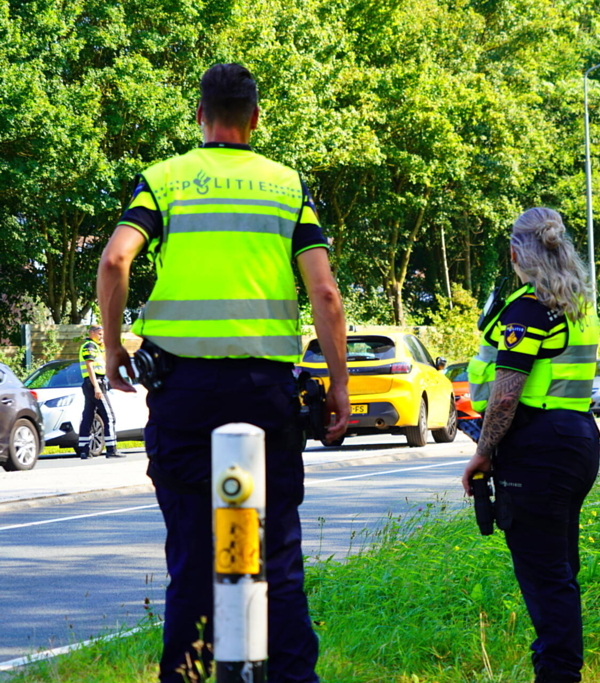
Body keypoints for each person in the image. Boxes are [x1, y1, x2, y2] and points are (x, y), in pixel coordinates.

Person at [96, 63, 350, 683]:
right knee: (276, 553)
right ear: (255, 119)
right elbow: (325, 296)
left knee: (191, 556)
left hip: (183, 395)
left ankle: (187, 677)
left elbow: (113, 261)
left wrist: (111, 353)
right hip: (266, 394)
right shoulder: (287, 186)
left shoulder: (164, 181)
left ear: (200, 117)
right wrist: (339, 384)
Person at [462, 207, 600, 683]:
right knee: (559, 568)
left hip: (537, 449)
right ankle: (560, 668)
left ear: (516, 252)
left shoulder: (527, 309)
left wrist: (482, 450)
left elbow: (505, 396)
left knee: (545, 577)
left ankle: (557, 674)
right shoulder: (577, 306)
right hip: (577, 441)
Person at [77, 325, 120, 459]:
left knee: (88, 417)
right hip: (95, 384)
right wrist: (96, 387)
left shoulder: (96, 347)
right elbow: (89, 366)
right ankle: (111, 449)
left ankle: (84, 450)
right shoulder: (90, 346)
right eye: (100, 334)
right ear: (92, 333)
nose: (102, 337)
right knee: (110, 417)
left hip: (92, 384)